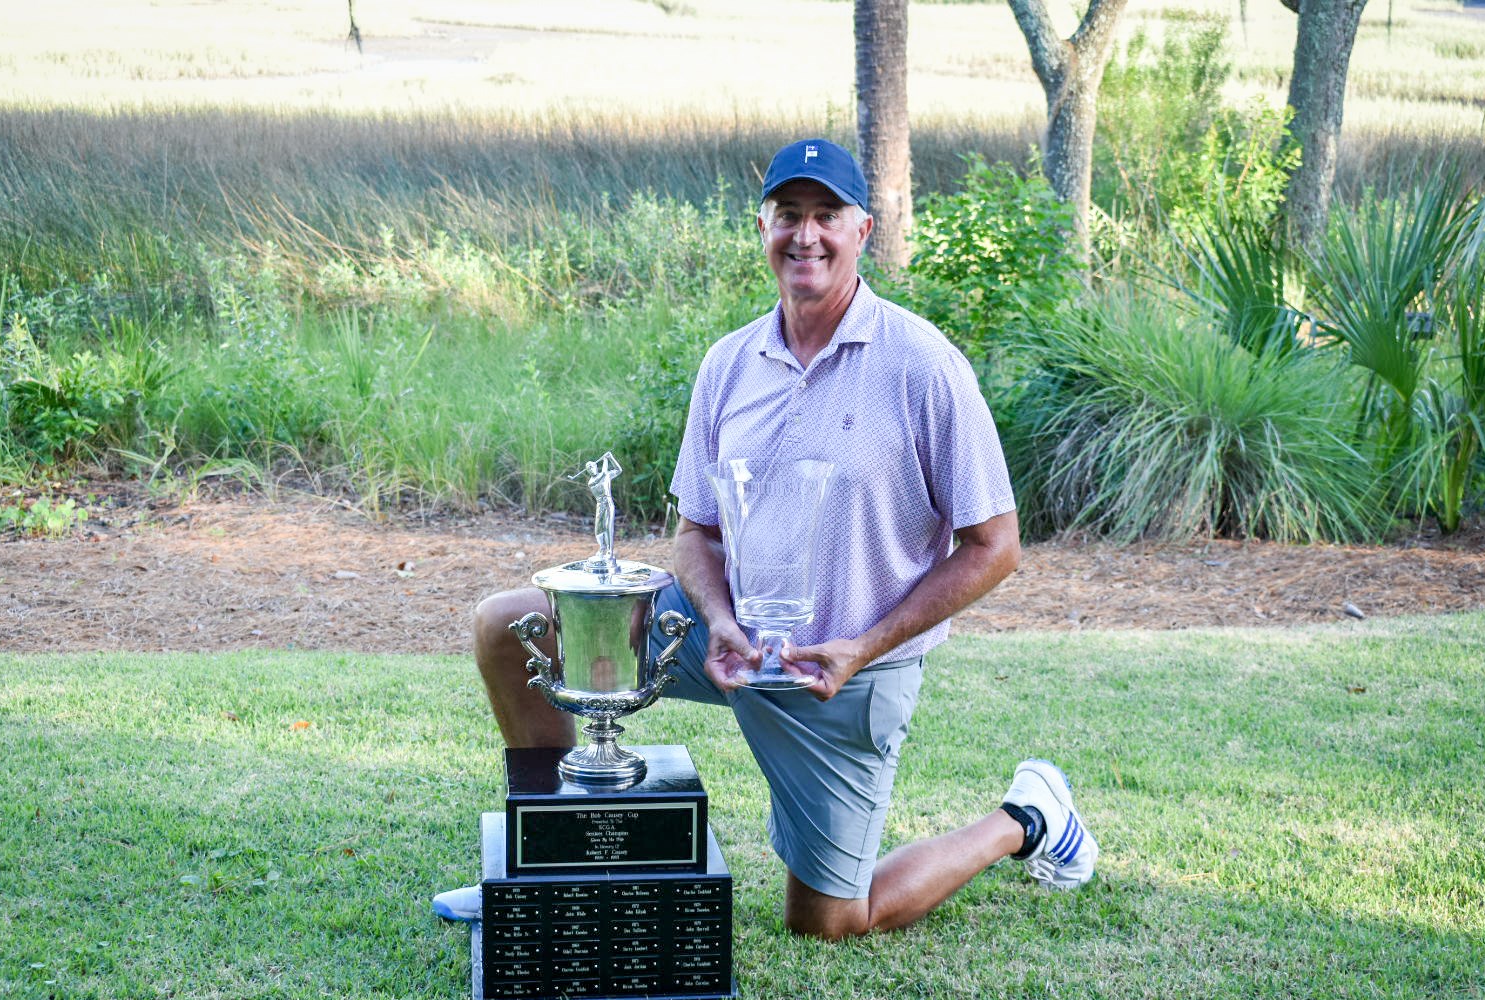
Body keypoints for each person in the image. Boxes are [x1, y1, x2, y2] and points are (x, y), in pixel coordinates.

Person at [436, 138, 1097, 939]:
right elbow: (695, 531)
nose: (806, 236)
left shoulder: (924, 365)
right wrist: (715, 619)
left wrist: (863, 645)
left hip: (843, 675)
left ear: (865, 231)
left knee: (829, 921)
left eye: (828, 217)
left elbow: (996, 547)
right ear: (762, 227)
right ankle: (543, 865)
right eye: (790, 215)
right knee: (509, 627)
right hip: (727, 639)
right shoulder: (729, 363)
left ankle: (1025, 816)